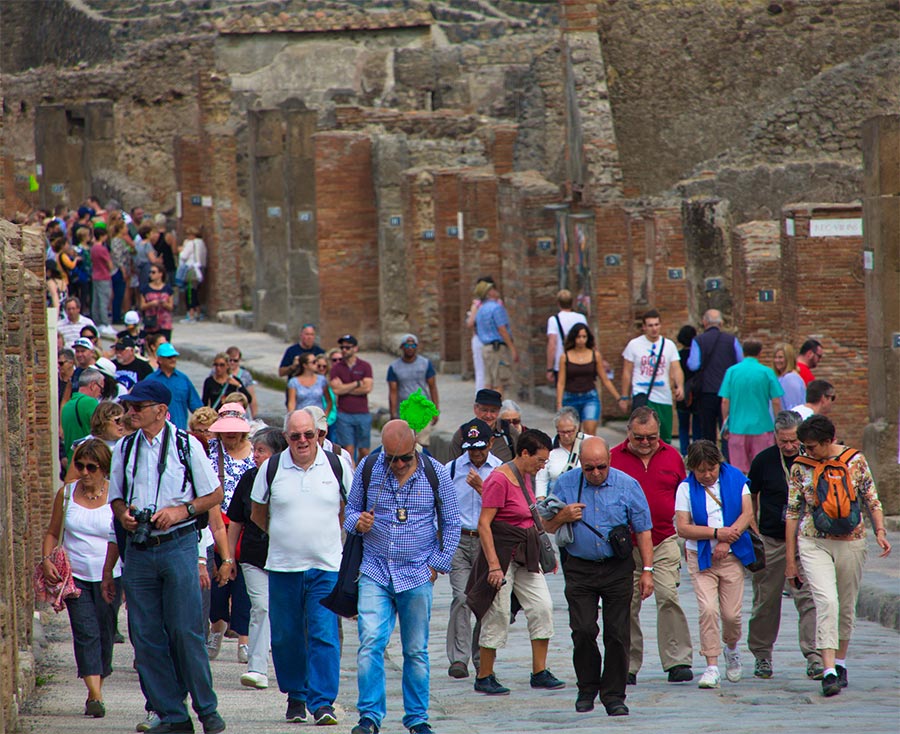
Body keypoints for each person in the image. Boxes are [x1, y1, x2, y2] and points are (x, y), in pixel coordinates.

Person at [105, 381, 226, 734]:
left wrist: (181, 511)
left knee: (186, 632)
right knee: (145, 636)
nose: (130, 412)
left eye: (137, 406)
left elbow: (214, 493)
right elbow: (115, 497)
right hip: (140, 550)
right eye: (129, 406)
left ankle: (207, 711)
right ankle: (171, 713)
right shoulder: (125, 448)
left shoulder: (187, 445)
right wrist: (124, 513)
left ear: (159, 409)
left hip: (178, 544)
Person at [343, 420, 461, 734]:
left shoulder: (434, 473)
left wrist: (436, 565)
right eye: (391, 458)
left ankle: (417, 719)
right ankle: (369, 717)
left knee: (416, 651)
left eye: (404, 458)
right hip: (375, 570)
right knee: (370, 643)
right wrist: (358, 522)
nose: (397, 464)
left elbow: (451, 523)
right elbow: (350, 511)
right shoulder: (370, 467)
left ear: (415, 449)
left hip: (417, 573)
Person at [250, 410, 351, 725]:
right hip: (283, 567)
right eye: (295, 436)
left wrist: (326, 535)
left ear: (318, 433)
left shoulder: (336, 466)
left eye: (309, 434)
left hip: (326, 566)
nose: (303, 441)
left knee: (323, 634)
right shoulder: (272, 468)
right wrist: (284, 536)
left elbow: (349, 507)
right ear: (286, 438)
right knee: (286, 636)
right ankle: (296, 696)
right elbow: (257, 512)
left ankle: (322, 703)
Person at [543, 437, 654, 715]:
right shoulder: (566, 483)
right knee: (582, 630)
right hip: (580, 567)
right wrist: (563, 516)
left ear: (610, 461)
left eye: (600, 467)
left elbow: (643, 530)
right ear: (581, 463)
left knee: (617, 633)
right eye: (589, 468)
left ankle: (614, 694)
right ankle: (587, 687)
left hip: (617, 567)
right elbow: (547, 524)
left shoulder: (627, 485)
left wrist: (648, 571)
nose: (595, 473)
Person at [785, 415, 891, 697]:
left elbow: (872, 498)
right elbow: (793, 511)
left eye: (812, 447)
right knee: (826, 601)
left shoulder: (855, 460)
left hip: (852, 540)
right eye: (803, 446)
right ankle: (828, 669)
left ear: (828, 441)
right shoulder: (800, 466)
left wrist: (879, 530)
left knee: (846, 605)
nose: (807, 452)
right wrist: (790, 559)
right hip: (813, 540)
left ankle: (841, 662)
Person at [467, 429, 564, 698]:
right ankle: (484, 675)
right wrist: (494, 567)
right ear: (524, 453)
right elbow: (484, 525)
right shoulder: (500, 479)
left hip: (525, 553)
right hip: (502, 553)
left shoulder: (526, 475)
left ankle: (539, 671)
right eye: (541, 460)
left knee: (542, 605)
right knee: (497, 612)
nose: (543, 465)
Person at [610, 407, 694, 685]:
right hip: (628, 546)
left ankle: (677, 660)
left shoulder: (672, 456)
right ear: (628, 433)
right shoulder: (612, 459)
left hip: (664, 539)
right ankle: (628, 664)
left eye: (652, 437)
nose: (645, 443)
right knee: (627, 603)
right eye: (639, 438)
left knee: (668, 596)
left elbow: (684, 494)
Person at [41, 439, 122, 719]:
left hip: (110, 575)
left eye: (92, 467)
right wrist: (48, 558)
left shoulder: (117, 497)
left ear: (104, 469)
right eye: (80, 466)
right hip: (75, 577)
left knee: (105, 632)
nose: (85, 472)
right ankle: (95, 694)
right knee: (85, 632)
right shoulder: (66, 495)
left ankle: (97, 681)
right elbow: (52, 532)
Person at [747, 411, 824, 680]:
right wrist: (753, 525)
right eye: (784, 441)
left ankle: (814, 655)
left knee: (809, 599)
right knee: (765, 601)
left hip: (806, 540)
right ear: (775, 438)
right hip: (772, 539)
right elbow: (751, 495)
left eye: (793, 440)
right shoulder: (763, 461)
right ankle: (762, 655)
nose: (789, 446)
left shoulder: (812, 460)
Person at [675, 440, 756, 690]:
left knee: (731, 614)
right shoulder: (685, 489)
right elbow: (683, 527)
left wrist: (727, 540)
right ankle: (711, 665)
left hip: (732, 557)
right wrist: (715, 534)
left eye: (711, 468)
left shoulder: (735, 479)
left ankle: (731, 647)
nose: (707, 474)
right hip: (701, 558)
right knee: (708, 610)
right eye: (701, 470)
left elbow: (747, 514)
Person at [226, 427, 288, 691]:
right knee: (261, 606)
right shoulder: (248, 479)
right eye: (255, 450)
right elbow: (236, 521)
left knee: (287, 613)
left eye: (261, 451)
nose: (255, 456)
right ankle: (257, 667)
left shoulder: (289, 479)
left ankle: (290, 668)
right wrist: (228, 559)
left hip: (288, 555)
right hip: (253, 555)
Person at [444, 419, 503, 680]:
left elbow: (506, 509)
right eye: (471, 448)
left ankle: (482, 657)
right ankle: (459, 658)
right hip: (459, 538)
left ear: (490, 443)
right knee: (461, 597)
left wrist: (483, 489)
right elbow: (441, 505)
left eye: (480, 447)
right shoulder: (452, 469)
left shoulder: (501, 471)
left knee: (484, 600)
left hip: (487, 540)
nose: (476, 453)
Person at [206, 404, 255, 664]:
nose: (231, 436)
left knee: (245, 585)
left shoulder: (254, 454)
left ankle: (244, 639)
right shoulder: (210, 453)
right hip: (217, 524)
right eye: (226, 431)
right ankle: (217, 628)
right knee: (218, 582)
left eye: (235, 431)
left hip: (246, 526)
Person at [719, 340, 783, 473]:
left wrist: (726, 422)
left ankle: (742, 493)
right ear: (760, 353)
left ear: (743, 353)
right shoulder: (767, 372)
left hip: (737, 427)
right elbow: (776, 401)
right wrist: (778, 424)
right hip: (762, 427)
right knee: (763, 469)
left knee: (738, 470)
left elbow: (725, 401)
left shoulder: (732, 371)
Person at [620, 309, 684, 443]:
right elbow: (627, 372)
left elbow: (676, 368)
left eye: (656, 324)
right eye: (650, 325)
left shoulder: (669, 345)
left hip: (663, 396)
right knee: (642, 435)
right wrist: (624, 397)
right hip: (642, 394)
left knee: (664, 436)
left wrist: (680, 386)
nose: (654, 328)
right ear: (644, 327)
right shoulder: (634, 345)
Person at [686, 309, 743, 444]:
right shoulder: (732, 340)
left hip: (706, 391)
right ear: (721, 323)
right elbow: (740, 362)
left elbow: (693, 365)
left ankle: (710, 458)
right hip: (728, 392)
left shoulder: (698, 340)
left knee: (707, 430)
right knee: (727, 427)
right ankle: (727, 458)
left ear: (704, 322)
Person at [556, 322, 621, 437]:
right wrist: (559, 403)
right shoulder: (565, 357)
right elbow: (561, 383)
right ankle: (577, 454)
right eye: (578, 337)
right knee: (573, 433)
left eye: (584, 337)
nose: (581, 340)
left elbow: (605, 379)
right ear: (573, 338)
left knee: (590, 431)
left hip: (590, 397)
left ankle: (589, 454)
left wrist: (619, 398)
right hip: (570, 398)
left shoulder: (595, 355)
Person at [387, 333, 439, 446]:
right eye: (407, 346)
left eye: (413, 346)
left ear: (417, 347)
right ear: (401, 347)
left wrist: (435, 411)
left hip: (422, 410)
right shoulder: (394, 367)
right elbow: (393, 391)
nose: (410, 348)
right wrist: (393, 413)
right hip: (404, 411)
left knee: (422, 444)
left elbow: (432, 387)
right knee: (405, 444)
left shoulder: (425, 364)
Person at [329, 334, 374, 463]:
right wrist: (357, 383)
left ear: (355, 349)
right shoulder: (337, 368)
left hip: (362, 413)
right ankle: (351, 476)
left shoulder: (365, 366)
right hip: (344, 413)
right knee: (348, 450)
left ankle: (361, 471)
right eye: (342, 347)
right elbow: (336, 390)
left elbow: (367, 388)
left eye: (348, 347)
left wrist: (345, 388)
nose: (344, 350)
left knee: (364, 450)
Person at [144, 343, 203, 430]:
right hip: (156, 432)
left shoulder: (183, 379)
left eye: (174, 356)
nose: (173, 359)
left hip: (179, 431)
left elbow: (196, 407)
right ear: (160, 359)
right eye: (169, 357)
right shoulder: (150, 380)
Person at [447, 389, 516, 463]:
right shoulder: (463, 433)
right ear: (475, 409)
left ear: (499, 411)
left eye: (493, 411)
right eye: (484, 410)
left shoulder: (508, 430)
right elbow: (452, 465)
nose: (488, 415)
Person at [474, 281, 518, 394]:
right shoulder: (496, 308)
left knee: (488, 381)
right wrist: (512, 348)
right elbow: (502, 329)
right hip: (497, 348)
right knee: (500, 382)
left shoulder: (480, 310)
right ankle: (498, 409)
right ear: (489, 293)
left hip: (486, 348)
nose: (495, 290)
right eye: (492, 289)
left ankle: (487, 408)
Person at [534, 407, 583, 499]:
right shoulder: (548, 448)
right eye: (562, 432)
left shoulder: (589, 442)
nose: (566, 436)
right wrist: (541, 502)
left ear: (577, 428)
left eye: (570, 431)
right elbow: (541, 479)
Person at [545, 289, 587, 385]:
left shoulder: (554, 320)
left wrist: (549, 368)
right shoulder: (581, 318)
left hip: (561, 364)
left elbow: (552, 345)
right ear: (572, 302)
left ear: (558, 303)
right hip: (581, 361)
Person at [61, 368, 103, 463]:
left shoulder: (67, 406)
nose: (101, 393)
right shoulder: (90, 402)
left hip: (72, 463)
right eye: (101, 388)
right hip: (89, 463)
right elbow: (103, 428)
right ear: (92, 385)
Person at [675, 324, 702, 455]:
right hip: (696, 394)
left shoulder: (678, 356)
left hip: (682, 394)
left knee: (683, 426)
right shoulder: (697, 356)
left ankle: (685, 452)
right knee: (697, 426)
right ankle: (696, 452)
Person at [465, 279, 494, 391]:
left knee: (481, 370)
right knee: (489, 370)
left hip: (479, 338)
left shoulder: (477, 305)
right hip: (490, 339)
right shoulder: (494, 304)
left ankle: (481, 394)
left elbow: (470, 323)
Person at [139, 264, 174, 342]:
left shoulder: (168, 289)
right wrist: (151, 304)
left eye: (153, 272)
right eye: (150, 272)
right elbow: (142, 306)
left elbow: (171, 307)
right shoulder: (145, 289)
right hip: (151, 322)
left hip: (165, 323)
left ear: (160, 274)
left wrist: (165, 304)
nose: (151, 274)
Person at [178, 226, 206, 323]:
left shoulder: (190, 243)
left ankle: (191, 314)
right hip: (199, 269)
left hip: (191, 270)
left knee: (189, 292)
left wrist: (181, 249)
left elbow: (183, 256)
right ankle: (198, 312)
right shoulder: (201, 243)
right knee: (195, 292)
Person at [90, 226, 115, 335]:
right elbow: (109, 264)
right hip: (104, 276)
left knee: (96, 300)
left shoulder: (93, 248)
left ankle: (97, 321)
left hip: (95, 275)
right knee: (104, 300)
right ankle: (105, 323)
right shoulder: (102, 249)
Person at [225, 346, 259, 418]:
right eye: (230, 360)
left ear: (239, 360)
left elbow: (252, 398)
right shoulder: (218, 373)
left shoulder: (245, 375)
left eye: (235, 360)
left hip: (241, 414)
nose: (232, 363)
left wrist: (255, 418)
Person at [772, 342, 806, 411]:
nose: (777, 360)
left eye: (780, 357)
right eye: (775, 357)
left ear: (789, 359)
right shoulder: (781, 377)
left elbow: (794, 407)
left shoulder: (790, 378)